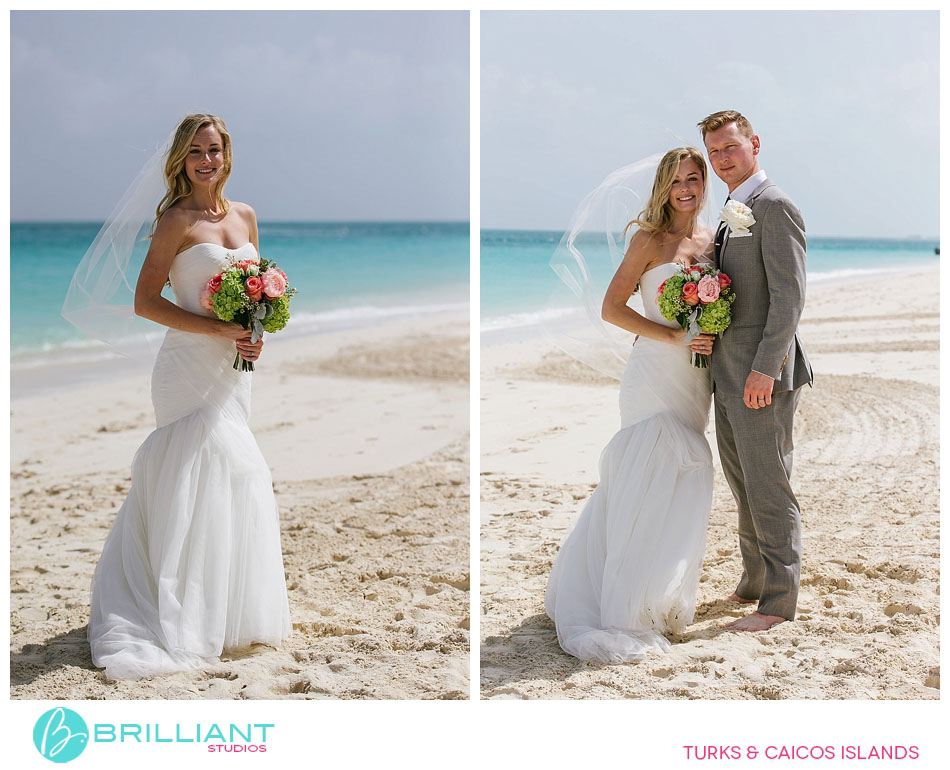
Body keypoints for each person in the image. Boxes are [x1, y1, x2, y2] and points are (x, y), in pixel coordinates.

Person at [80, 114, 292, 678]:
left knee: (234, 472)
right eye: (196, 151)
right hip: (185, 366)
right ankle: (169, 607)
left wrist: (253, 335)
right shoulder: (175, 220)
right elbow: (145, 302)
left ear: (227, 155)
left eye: (214, 150)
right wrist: (217, 329)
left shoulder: (245, 215)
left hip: (233, 369)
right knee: (189, 471)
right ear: (181, 158)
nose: (206, 160)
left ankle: (222, 609)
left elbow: (256, 299)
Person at [545, 147, 719, 663]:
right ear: (664, 187)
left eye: (694, 179)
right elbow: (612, 307)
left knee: (683, 474)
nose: (685, 189)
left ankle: (656, 593)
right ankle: (622, 599)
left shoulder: (713, 241)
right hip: (654, 373)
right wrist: (672, 338)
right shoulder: (648, 240)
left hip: (695, 379)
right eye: (676, 181)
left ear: (704, 184)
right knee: (646, 471)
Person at [698, 110, 812, 632]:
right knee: (742, 483)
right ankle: (754, 580)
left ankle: (777, 603)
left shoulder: (774, 206)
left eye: (730, 147)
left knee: (769, 485)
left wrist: (766, 368)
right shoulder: (732, 210)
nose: (722, 159)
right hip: (726, 371)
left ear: (755, 144)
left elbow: (789, 298)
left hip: (762, 375)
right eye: (714, 152)